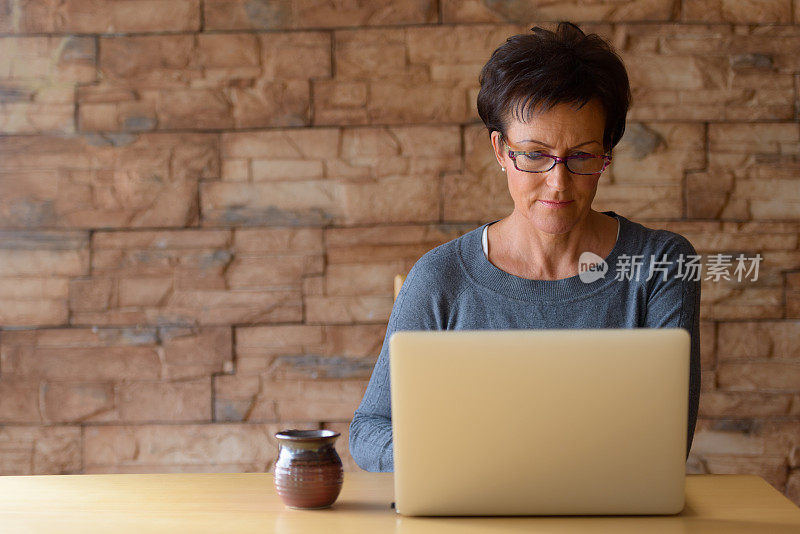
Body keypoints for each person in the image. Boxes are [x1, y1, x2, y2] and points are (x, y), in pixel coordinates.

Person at [349, 21, 701, 472]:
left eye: (582, 156)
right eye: (534, 155)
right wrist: (461, 460)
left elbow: (666, 442)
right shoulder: (441, 277)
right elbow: (370, 428)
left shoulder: (661, 266)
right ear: (500, 150)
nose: (558, 183)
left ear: (607, 153)